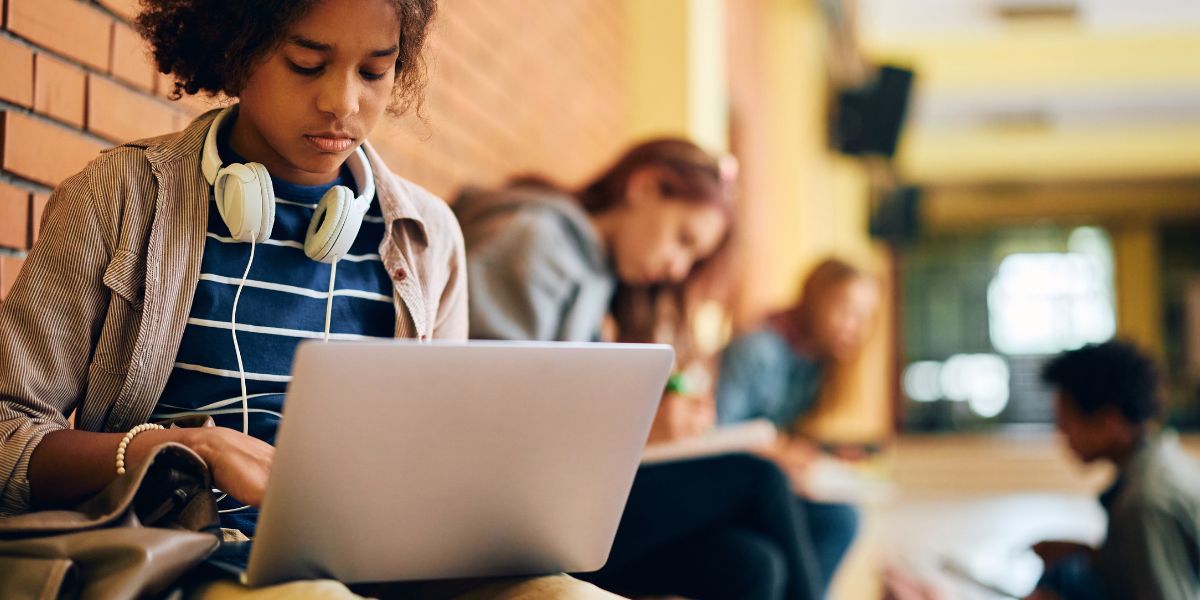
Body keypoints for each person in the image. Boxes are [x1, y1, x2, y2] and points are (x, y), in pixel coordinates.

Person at [0, 0, 613, 597]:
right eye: (307, 64)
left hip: (389, 561)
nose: (343, 103)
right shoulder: (118, 198)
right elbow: (8, 433)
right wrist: (189, 446)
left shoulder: (429, 236)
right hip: (189, 557)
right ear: (236, 53)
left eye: (374, 71)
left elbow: (441, 461)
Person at [455, 140, 823, 600]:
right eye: (683, 240)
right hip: (506, 515)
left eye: (692, 260)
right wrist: (636, 429)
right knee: (761, 480)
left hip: (561, 501)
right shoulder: (534, 242)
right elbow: (494, 416)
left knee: (750, 562)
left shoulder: (597, 280)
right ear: (645, 187)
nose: (677, 267)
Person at [715, 257, 882, 593]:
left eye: (865, 317)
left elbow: (781, 434)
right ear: (816, 301)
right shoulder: (757, 350)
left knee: (841, 517)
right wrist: (780, 454)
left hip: (767, 487)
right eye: (846, 310)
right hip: (729, 487)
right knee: (837, 522)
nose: (854, 326)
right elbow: (715, 435)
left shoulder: (814, 365)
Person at [1028, 341, 1200, 600]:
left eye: (1066, 420)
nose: (1061, 433)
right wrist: (1094, 555)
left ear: (1109, 422)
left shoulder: (1144, 503)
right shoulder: (1163, 459)